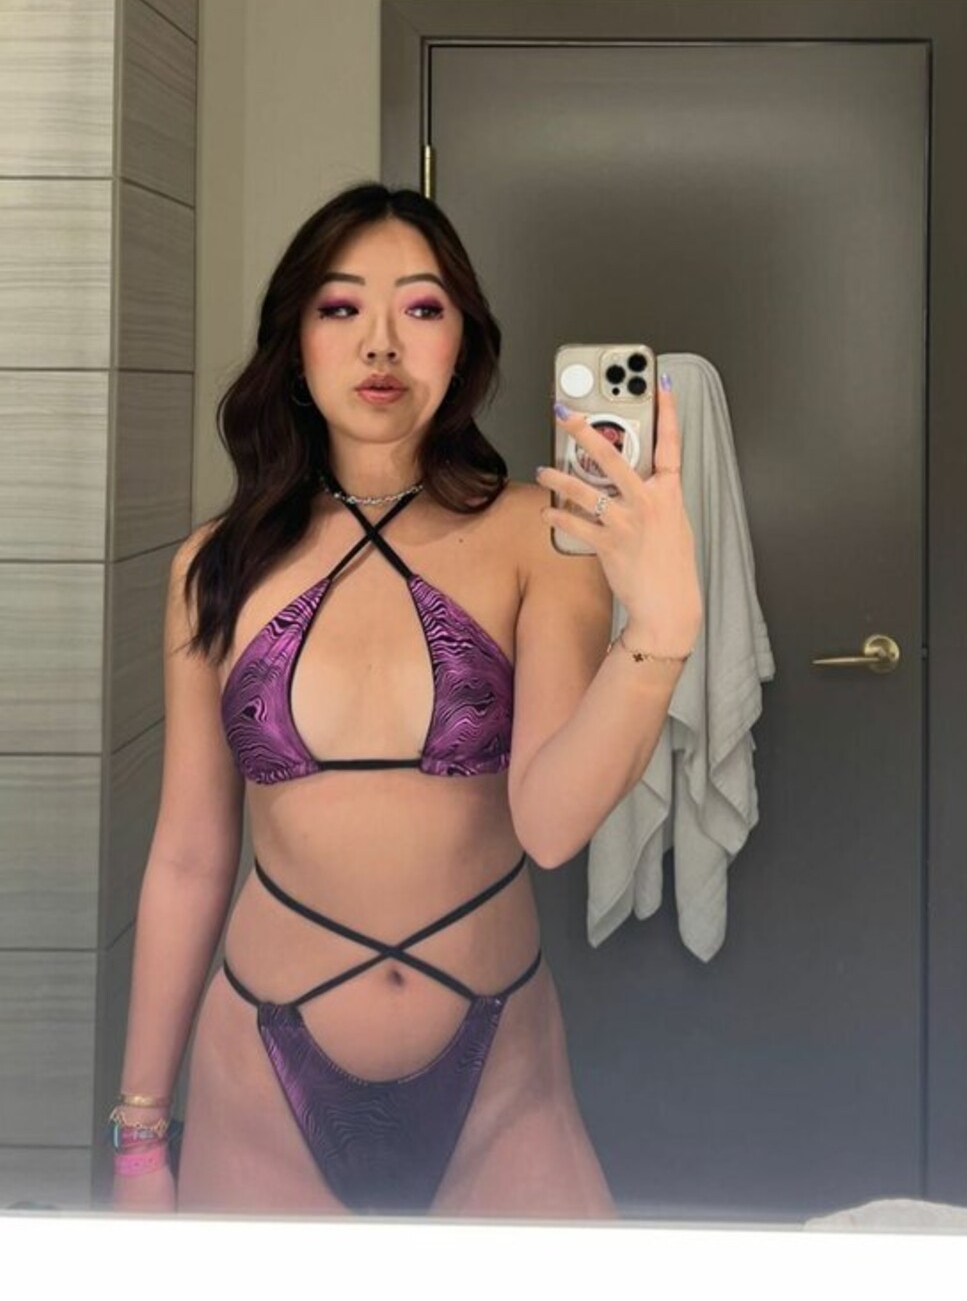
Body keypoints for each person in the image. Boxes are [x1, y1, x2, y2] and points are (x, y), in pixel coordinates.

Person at [108, 181, 703, 1219]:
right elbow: (190, 856)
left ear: (462, 341)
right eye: (341, 307)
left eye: (421, 308)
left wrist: (660, 631)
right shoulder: (214, 567)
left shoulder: (541, 538)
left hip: (501, 1080)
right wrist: (139, 1136)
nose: (380, 342)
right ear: (295, 342)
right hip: (258, 1077)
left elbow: (552, 825)